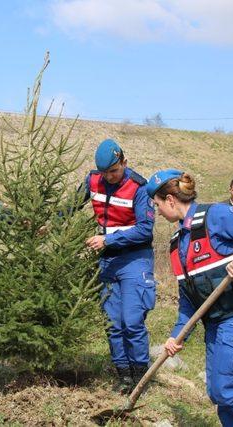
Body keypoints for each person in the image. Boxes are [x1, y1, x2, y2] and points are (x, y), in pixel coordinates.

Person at [146, 169, 233, 427]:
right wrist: (177, 335)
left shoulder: (215, 215)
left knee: (230, 391)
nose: (157, 211)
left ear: (170, 200)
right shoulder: (176, 244)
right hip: (216, 324)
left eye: (157, 204)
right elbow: (188, 299)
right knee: (217, 393)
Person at [78, 138, 156, 394]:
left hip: (135, 258)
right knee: (112, 321)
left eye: (114, 171)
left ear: (124, 162)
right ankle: (123, 375)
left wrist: (108, 239)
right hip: (108, 259)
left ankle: (140, 377)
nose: (109, 177)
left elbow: (145, 231)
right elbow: (68, 208)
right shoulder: (92, 181)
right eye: (104, 173)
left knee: (132, 320)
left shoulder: (139, 188)